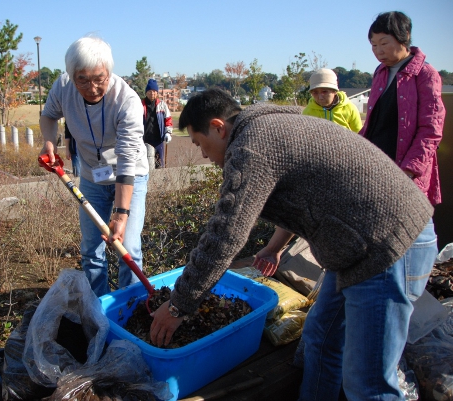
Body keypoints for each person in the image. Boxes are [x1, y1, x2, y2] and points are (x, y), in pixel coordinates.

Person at [149, 89, 437, 401]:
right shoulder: (268, 129)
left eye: (198, 143)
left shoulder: (251, 146)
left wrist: (178, 305)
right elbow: (301, 194)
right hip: (359, 248)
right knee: (320, 340)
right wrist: (274, 247)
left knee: (368, 384)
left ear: (218, 127)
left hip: (387, 246)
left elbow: (225, 235)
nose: (203, 154)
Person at [39, 36, 149, 297]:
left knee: (128, 247)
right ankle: (98, 306)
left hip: (130, 174)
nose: (92, 88)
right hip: (91, 176)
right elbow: (48, 115)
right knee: (91, 249)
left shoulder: (127, 101)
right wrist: (48, 142)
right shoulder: (63, 87)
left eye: (99, 78)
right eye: (83, 80)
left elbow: (126, 161)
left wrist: (121, 216)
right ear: (71, 75)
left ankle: (129, 305)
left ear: (109, 71)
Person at [360, 11, 445, 206]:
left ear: (404, 37)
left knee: (414, 228)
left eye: (384, 43)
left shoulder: (425, 74)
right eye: (373, 45)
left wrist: (408, 171)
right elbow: (373, 122)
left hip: (407, 172)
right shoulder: (380, 72)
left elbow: (431, 130)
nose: (378, 51)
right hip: (377, 165)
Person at [302, 68, 362, 132]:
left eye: (324, 92)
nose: (320, 97)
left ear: (335, 91)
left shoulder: (350, 109)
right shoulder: (308, 112)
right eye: (315, 93)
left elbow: (360, 135)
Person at [142, 79, 173, 168]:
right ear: (146, 92)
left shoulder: (162, 105)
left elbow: (168, 120)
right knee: (147, 165)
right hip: (145, 140)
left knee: (160, 164)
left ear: (157, 93)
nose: (152, 93)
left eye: (154, 91)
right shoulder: (140, 105)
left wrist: (168, 133)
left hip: (158, 140)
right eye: (150, 91)